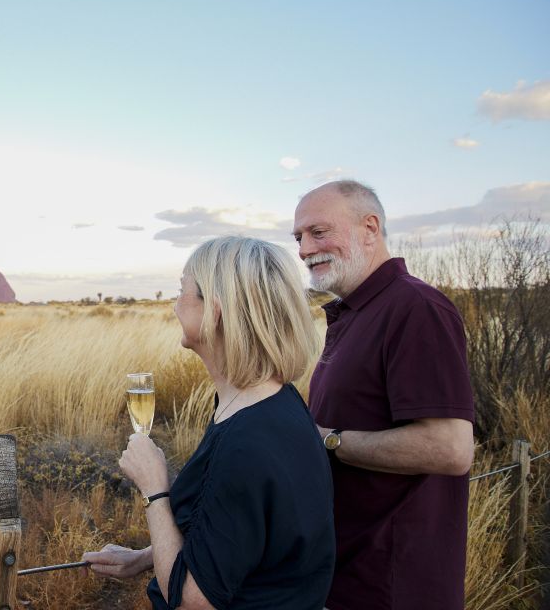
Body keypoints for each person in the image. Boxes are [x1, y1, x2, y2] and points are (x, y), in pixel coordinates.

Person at [83, 236, 335, 609]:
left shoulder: (245, 442)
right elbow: (234, 536)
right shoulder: (272, 403)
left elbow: (191, 601)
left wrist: (155, 491)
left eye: (182, 290)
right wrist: (144, 557)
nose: (173, 306)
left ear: (216, 311)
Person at [291, 180, 475, 610]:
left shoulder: (415, 307)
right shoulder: (358, 312)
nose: (303, 249)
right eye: (298, 237)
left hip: (395, 585)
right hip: (350, 573)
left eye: (318, 232)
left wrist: (328, 440)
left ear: (370, 228)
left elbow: (450, 448)